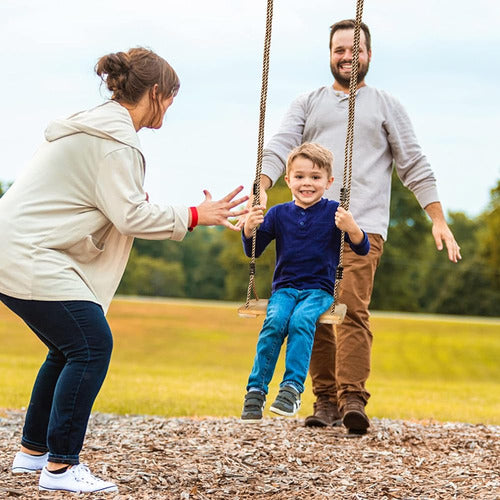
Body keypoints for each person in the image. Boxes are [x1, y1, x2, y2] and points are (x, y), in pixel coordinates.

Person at [0, 47, 248, 494]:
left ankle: (32, 453)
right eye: (170, 98)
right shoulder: (117, 143)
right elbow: (131, 217)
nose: (170, 107)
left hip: (14, 248)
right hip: (28, 254)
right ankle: (60, 468)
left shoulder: (94, 126)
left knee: (67, 347)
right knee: (91, 346)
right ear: (154, 93)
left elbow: (110, 204)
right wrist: (196, 214)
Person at [254, 19, 462, 434]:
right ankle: (325, 400)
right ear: (330, 54)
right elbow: (279, 146)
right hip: (311, 231)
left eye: (355, 50)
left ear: (368, 54)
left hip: (361, 228)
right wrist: (262, 188)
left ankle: (352, 398)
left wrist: (437, 218)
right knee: (312, 313)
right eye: (338, 50)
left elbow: (414, 163)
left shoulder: (385, 104)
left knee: (350, 308)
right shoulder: (308, 103)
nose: (346, 57)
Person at [240, 143, 370, 422]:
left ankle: (291, 389)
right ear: (288, 180)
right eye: (299, 177)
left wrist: (352, 228)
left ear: (329, 182)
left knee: (300, 321)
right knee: (274, 323)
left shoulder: (336, 213)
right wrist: (249, 227)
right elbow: (254, 247)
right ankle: (256, 391)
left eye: (315, 177)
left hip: (319, 292)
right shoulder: (277, 214)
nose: (307, 183)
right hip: (284, 289)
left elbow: (362, 248)